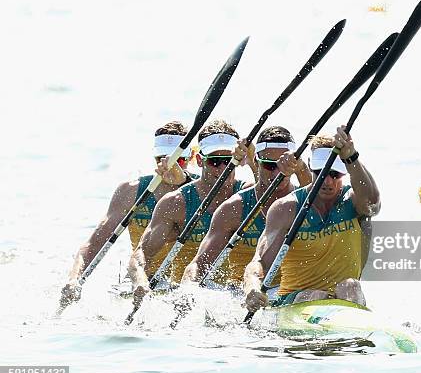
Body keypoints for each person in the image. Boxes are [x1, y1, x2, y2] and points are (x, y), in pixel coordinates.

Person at [59, 121, 195, 309]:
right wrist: (74, 279)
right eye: (161, 160)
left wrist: (184, 182)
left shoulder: (207, 192)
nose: (168, 167)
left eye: (177, 161)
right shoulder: (130, 191)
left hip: (187, 285)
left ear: (193, 157)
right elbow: (95, 242)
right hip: (139, 280)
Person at [243, 126, 380, 313]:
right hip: (296, 299)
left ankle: (354, 334)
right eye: (321, 173)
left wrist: (352, 157)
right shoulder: (287, 208)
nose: (328, 182)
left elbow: (373, 204)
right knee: (315, 294)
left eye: (335, 174)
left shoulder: (355, 202)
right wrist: (252, 287)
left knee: (350, 286)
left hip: (345, 297)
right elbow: (260, 262)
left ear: (344, 172)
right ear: (310, 166)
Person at [128, 119, 255, 304]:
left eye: (228, 161)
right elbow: (140, 255)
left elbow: (281, 199)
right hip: (184, 291)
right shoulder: (176, 202)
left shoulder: (250, 195)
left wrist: (253, 161)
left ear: (239, 159)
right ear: (199, 160)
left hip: (236, 293)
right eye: (214, 162)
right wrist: (140, 281)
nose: (222, 169)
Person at [181, 126, 311, 293]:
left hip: (292, 292)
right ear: (256, 162)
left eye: (284, 165)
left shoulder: (307, 200)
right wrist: (188, 291)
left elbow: (314, 185)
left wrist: (301, 168)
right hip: (242, 293)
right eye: (270, 166)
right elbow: (199, 265)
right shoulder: (233, 208)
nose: (278, 172)